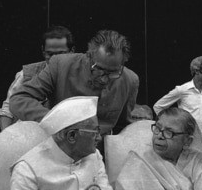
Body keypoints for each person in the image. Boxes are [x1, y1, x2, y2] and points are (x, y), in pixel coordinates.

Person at [9, 29, 139, 138]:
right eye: (99, 70)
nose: (105, 79)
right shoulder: (61, 65)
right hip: (58, 145)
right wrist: (57, 121)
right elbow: (19, 99)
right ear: (88, 57)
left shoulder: (130, 80)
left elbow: (122, 128)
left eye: (113, 73)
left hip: (98, 155)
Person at [8, 96, 116, 190]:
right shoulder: (28, 169)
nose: (99, 138)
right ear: (72, 136)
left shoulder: (94, 156)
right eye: (94, 132)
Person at [0, 25, 75, 131]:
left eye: (61, 54)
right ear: (43, 51)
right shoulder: (26, 75)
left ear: (72, 51)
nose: (55, 59)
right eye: (50, 54)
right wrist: (5, 137)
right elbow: (7, 110)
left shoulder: (81, 75)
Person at [152, 56, 202, 149]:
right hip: (189, 134)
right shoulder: (182, 90)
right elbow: (158, 106)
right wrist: (171, 125)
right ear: (197, 71)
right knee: (188, 162)